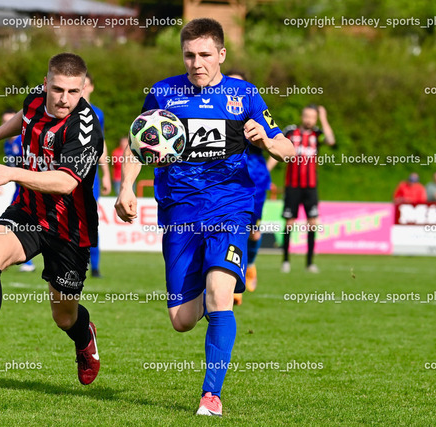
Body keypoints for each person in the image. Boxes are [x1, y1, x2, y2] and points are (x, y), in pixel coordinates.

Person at [115, 18, 295, 416]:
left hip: (231, 206)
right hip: (179, 213)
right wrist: (126, 187)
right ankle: (220, 286)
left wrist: (265, 139)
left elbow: (289, 149)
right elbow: (137, 144)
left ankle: (210, 395)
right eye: (189, 55)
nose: (197, 63)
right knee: (182, 320)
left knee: (219, 295)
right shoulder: (163, 93)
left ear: (222, 55)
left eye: (205, 55)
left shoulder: (244, 95)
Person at [0, 53, 104, 387]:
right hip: (29, 211)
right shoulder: (36, 98)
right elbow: (26, 117)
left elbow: (65, 182)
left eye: (73, 92)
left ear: (83, 88)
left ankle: (83, 335)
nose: (64, 99)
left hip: (69, 228)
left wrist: (11, 173)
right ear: (45, 84)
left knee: (64, 316)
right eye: (58, 89)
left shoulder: (85, 126)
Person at [268, 104, 336, 274]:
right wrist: (265, 173)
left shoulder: (317, 135)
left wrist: (324, 118)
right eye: (306, 116)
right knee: (289, 223)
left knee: (312, 223)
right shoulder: (291, 132)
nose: (308, 120)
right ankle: (285, 260)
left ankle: (310, 263)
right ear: (302, 116)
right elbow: (278, 152)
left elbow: (331, 140)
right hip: (292, 185)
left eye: (312, 117)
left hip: (310, 187)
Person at [227, 70, 271, 305]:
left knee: (254, 232)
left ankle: (250, 264)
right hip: (229, 181)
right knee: (235, 230)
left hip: (256, 180)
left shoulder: (253, 111)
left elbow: (278, 143)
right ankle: (233, 283)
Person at [82, 73, 111, 278]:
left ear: (91, 87)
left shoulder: (97, 113)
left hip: (91, 177)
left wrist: (107, 173)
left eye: (85, 85)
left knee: (91, 220)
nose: (81, 88)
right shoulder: (65, 110)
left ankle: (96, 265)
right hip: (67, 173)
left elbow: (101, 144)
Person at [2, 109, 36, 273]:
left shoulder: (24, 140)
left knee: (17, 222)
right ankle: (9, 258)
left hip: (28, 188)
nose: (7, 125)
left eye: (10, 121)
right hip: (18, 188)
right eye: (5, 122)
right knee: (16, 223)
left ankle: (23, 261)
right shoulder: (6, 144)